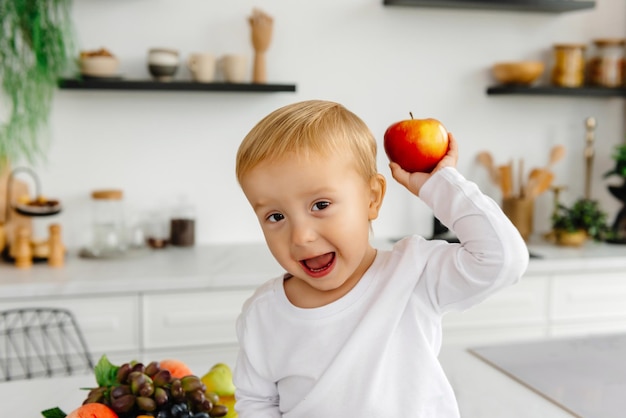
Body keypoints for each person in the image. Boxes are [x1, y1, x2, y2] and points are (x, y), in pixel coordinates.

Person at [233, 99, 529, 417]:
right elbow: (257, 403)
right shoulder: (262, 314)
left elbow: (503, 259)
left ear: (372, 198)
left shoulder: (412, 274)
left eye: (320, 205)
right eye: (275, 216)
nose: (300, 236)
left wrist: (440, 186)